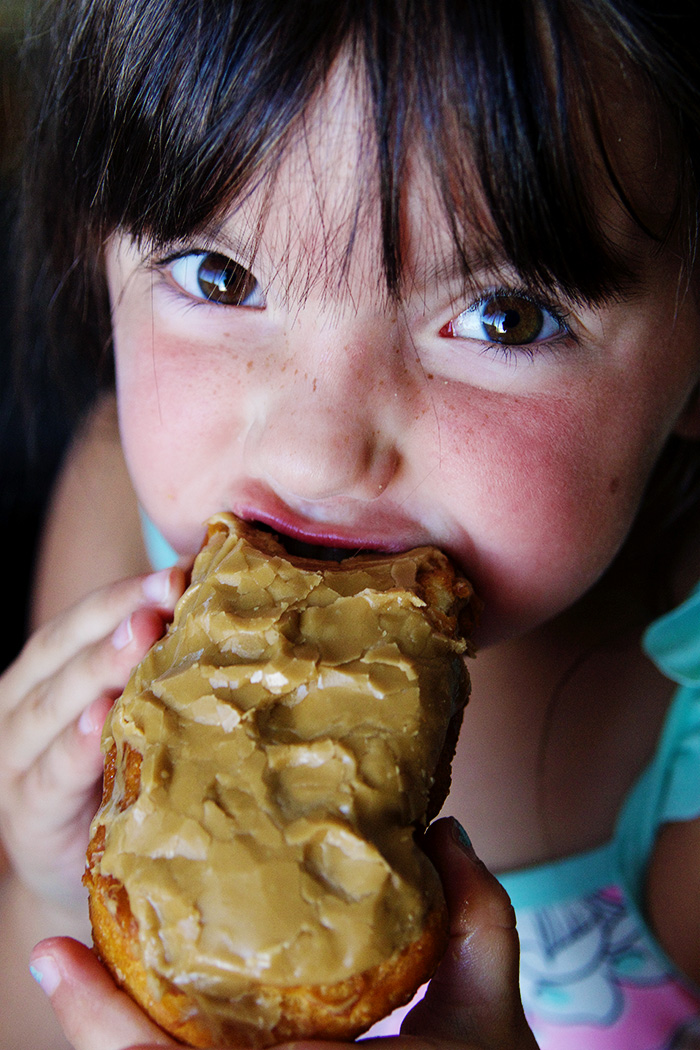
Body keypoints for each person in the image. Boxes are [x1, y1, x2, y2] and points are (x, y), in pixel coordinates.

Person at [2, 0, 700, 1046]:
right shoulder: (119, 532)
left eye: (504, 317)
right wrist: (65, 902)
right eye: (219, 275)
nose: (314, 456)